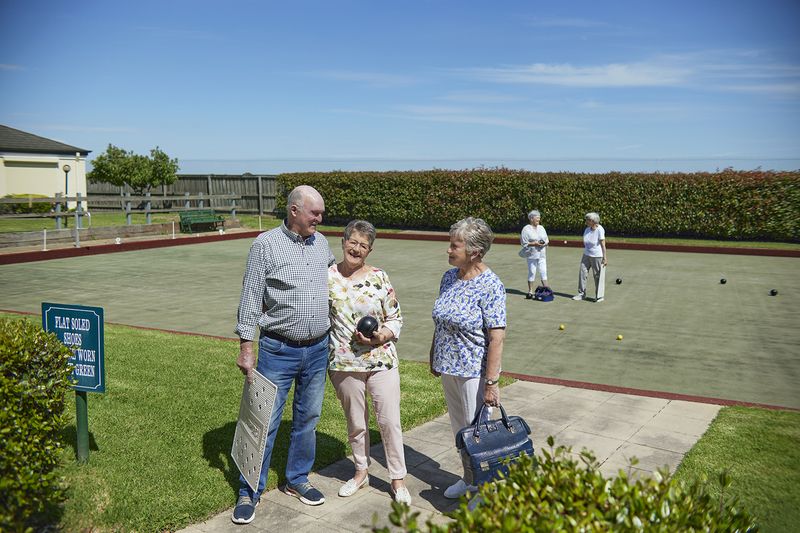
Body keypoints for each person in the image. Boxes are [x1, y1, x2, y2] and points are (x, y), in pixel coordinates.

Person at [232, 185, 335, 525]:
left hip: (317, 349)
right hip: (277, 350)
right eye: (314, 213)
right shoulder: (265, 245)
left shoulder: (322, 244)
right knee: (262, 421)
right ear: (294, 211)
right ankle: (248, 491)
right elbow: (250, 297)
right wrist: (246, 347)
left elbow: (334, 287)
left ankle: (297, 479)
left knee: (308, 418)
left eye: (321, 213)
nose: (319, 219)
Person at [328, 220, 412, 505]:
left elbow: (395, 318)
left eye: (363, 245)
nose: (356, 249)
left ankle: (397, 479)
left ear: (370, 250)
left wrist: (380, 336)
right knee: (356, 423)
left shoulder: (379, 277)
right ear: (343, 242)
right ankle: (361, 472)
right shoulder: (327, 277)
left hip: (381, 359)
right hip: (344, 363)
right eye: (353, 242)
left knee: (389, 421)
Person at [429, 217, 506, 499]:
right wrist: (434, 353)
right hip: (449, 366)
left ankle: (487, 491)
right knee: (460, 431)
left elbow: (496, 338)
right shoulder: (449, 277)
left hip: (474, 371)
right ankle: (470, 479)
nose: (448, 250)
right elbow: (441, 321)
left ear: (475, 252)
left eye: (455, 246)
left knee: (479, 435)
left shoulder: (491, 285)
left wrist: (491, 383)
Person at [573, 211, 607, 302]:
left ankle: (599, 296)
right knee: (582, 273)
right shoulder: (587, 229)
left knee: (597, 276)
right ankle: (581, 294)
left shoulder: (600, 229)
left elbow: (603, 245)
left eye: (587, 220)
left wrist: (605, 258)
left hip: (597, 256)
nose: (586, 221)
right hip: (586, 255)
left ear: (593, 221)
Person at [519, 209, 549, 298]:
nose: (538, 220)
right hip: (531, 254)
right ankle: (530, 291)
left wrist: (544, 243)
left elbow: (547, 239)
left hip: (542, 254)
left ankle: (547, 290)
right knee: (532, 272)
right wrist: (534, 243)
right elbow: (523, 243)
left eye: (539, 218)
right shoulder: (526, 229)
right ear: (531, 219)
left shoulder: (541, 228)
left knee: (543, 271)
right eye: (537, 218)